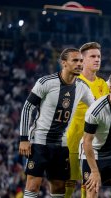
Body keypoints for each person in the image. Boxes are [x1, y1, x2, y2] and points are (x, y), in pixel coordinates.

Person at [19, 48, 95, 197]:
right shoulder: (46, 82)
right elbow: (27, 108)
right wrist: (23, 139)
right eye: (75, 60)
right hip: (39, 142)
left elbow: (95, 109)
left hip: (62, 144)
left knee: (59, 187)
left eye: (81, 61)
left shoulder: (82, 87)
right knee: (33, 185)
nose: (80, 64)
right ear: (64, 63)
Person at [65, 42, 110, 198]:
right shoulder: (73, 82)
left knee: (89, 185)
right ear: (82, 60)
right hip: (71, 141)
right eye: (92, 56)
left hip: (90, 145)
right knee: (68, 185)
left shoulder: (103, 84)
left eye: (98, 56)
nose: (97, 59)